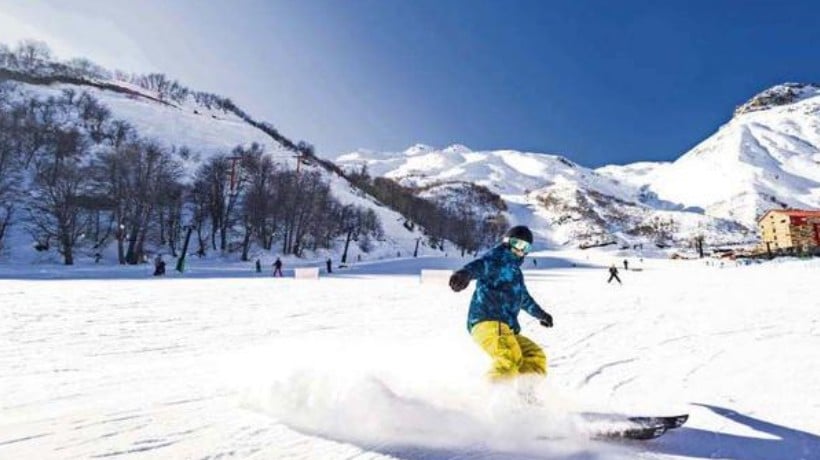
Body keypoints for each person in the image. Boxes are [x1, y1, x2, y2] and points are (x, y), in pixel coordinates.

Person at [449, 225, 553, 382]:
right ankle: (494, 397)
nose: (520, 249)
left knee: (534, 355)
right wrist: (464, 273)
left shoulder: (516, 272)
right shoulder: (496, 259)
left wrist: (541, 315)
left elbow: (523, 298)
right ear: (507, 242)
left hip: (505, 327)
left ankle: (526, 394)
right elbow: (480, 266)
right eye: (517, 243)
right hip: (488, 321)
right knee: (509, 357)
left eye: (525, 247)